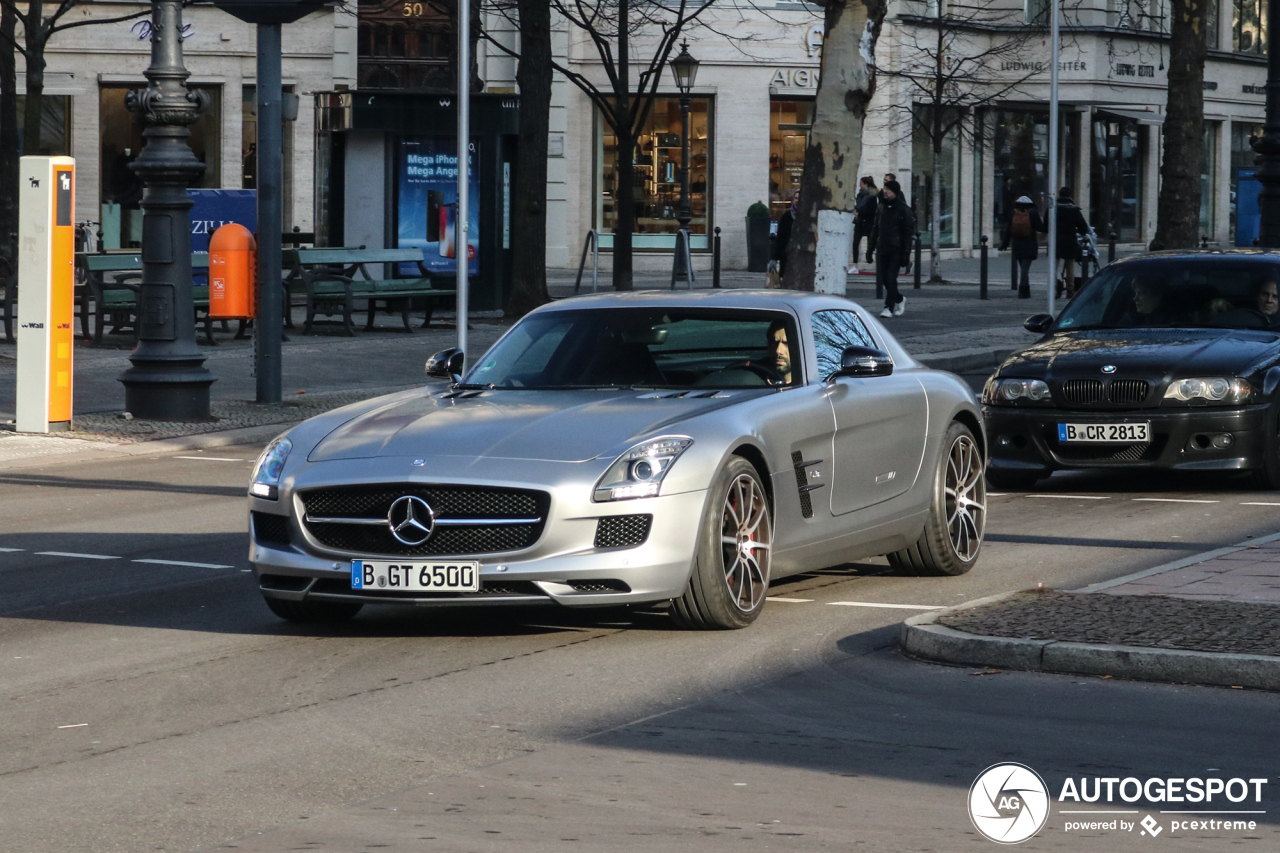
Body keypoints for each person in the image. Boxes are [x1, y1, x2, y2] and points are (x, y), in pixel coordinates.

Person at [870, 180, 916, 318]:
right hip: (883, 247)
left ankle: (888, 307)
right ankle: (900, 299)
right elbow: (875, 228)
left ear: (895, 192)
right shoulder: (881, 207)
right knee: (884, 279)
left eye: (888, 190)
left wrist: (906, 255)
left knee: (890, 278)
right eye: (884, 189)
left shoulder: (903, 209)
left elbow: (908, 234)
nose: (885, 191)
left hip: (897, 249)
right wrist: (870, 248)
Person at [1000, 195, 1047, 299]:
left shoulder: (1013, 213)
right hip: (1029, 242)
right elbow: (1040, 227)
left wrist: (1004, 244)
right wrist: (1048, 224)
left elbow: (1008, 230)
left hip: (1017, 243)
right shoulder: (1033, 213)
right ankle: (1022, 290)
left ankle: (1026, 290)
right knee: (1025, 268)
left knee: (1023, 267)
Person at [1054, 187, 1090, 298]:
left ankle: (1055, 287)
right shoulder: (1074, 210)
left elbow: (1046, 224)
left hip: (1056, 240)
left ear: (1059, 195)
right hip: (1070, 240)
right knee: (1070, 267)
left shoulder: (1054, 209)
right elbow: (1083, 227)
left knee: (1053, 267)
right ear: (1070, 196)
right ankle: (1070, 290)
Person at [849, 176, 878, 273]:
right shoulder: (860, 195)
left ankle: (870, 258)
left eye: (861, 183)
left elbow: (872, 209)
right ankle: (855, 265)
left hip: (869, 221)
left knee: (871, 243)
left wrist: (859, 212)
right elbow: (858, 206)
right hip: (860, 221)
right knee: (855, 243)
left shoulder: (872, 195)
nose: (860, 185)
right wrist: (856, 211)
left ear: (865, 184)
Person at [772, 190, 798, 278]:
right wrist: (774, 258)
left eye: (799, 198)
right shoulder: (786, 216)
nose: (797, 200)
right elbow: (780, 238)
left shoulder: (808, 218)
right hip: (787, 257)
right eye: (796, 198)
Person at [767, 320, 793, 385]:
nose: (778, 350)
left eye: (786, 343)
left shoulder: (813, 384)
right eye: (774, 343)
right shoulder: (751, 380)